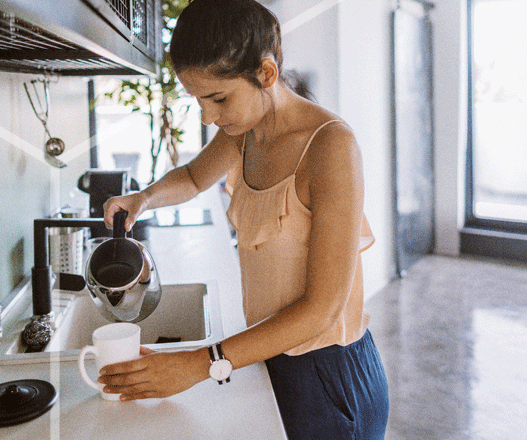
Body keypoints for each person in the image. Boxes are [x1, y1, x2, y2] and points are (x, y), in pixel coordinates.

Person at [99, 0, 389, 438]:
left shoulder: (331, 148)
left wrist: (200, 364)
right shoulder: (248, 132)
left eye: (218, 98)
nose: (208, 117)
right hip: (269, 351)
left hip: (330, 376)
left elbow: (322, 310)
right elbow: (196, 176)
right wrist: (144, 198)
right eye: (198, 101)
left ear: (267, 74)